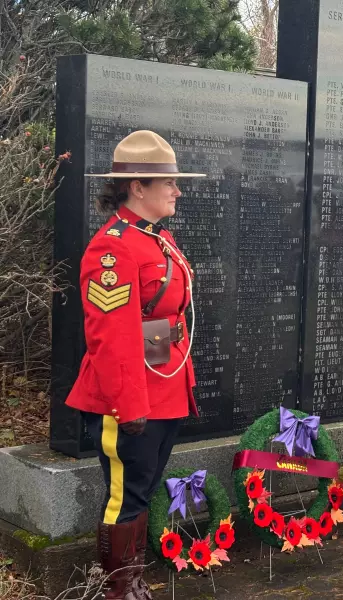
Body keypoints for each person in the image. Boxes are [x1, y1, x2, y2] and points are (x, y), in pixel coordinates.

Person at [65, 130, 205, 599]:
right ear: (137, 187)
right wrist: (131, 404)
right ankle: (116, 589)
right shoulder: (114, 248)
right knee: (126, 496)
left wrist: (174, 387)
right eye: (168, 182)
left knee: (142, 490)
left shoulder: (156, 239)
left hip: (162, 390)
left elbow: (159, 324)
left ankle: (134, 579)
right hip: (128, 398)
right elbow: (111, 337)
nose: (177, 190)